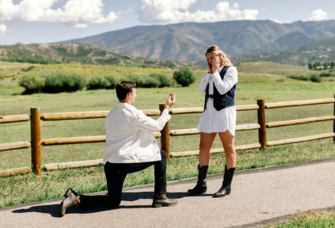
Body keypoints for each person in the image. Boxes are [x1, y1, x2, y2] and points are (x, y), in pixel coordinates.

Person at [59, 81, 177, 217]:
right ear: (128, 95)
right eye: (135, 92)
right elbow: (157, 126)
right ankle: (160, 198)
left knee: (113, 201)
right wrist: (167, 108)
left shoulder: (111, 114)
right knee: (161, 156)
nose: (136, 95)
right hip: (125, 162)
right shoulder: (133, 113)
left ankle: (75, 199)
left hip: (111, 165)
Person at [188, 45, 238, 197]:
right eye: (208, 59)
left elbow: (223, 89)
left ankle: (226, 186)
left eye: (212, 58)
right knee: (203, 146)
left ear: (220, 55)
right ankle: (201, 184)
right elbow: (200, 88)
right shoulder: (209, 72)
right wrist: (210, 73)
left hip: (223, 111)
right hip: (209, 110)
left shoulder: (231, 70)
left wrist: (215, 72)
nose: (210, 61)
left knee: (228, 147)